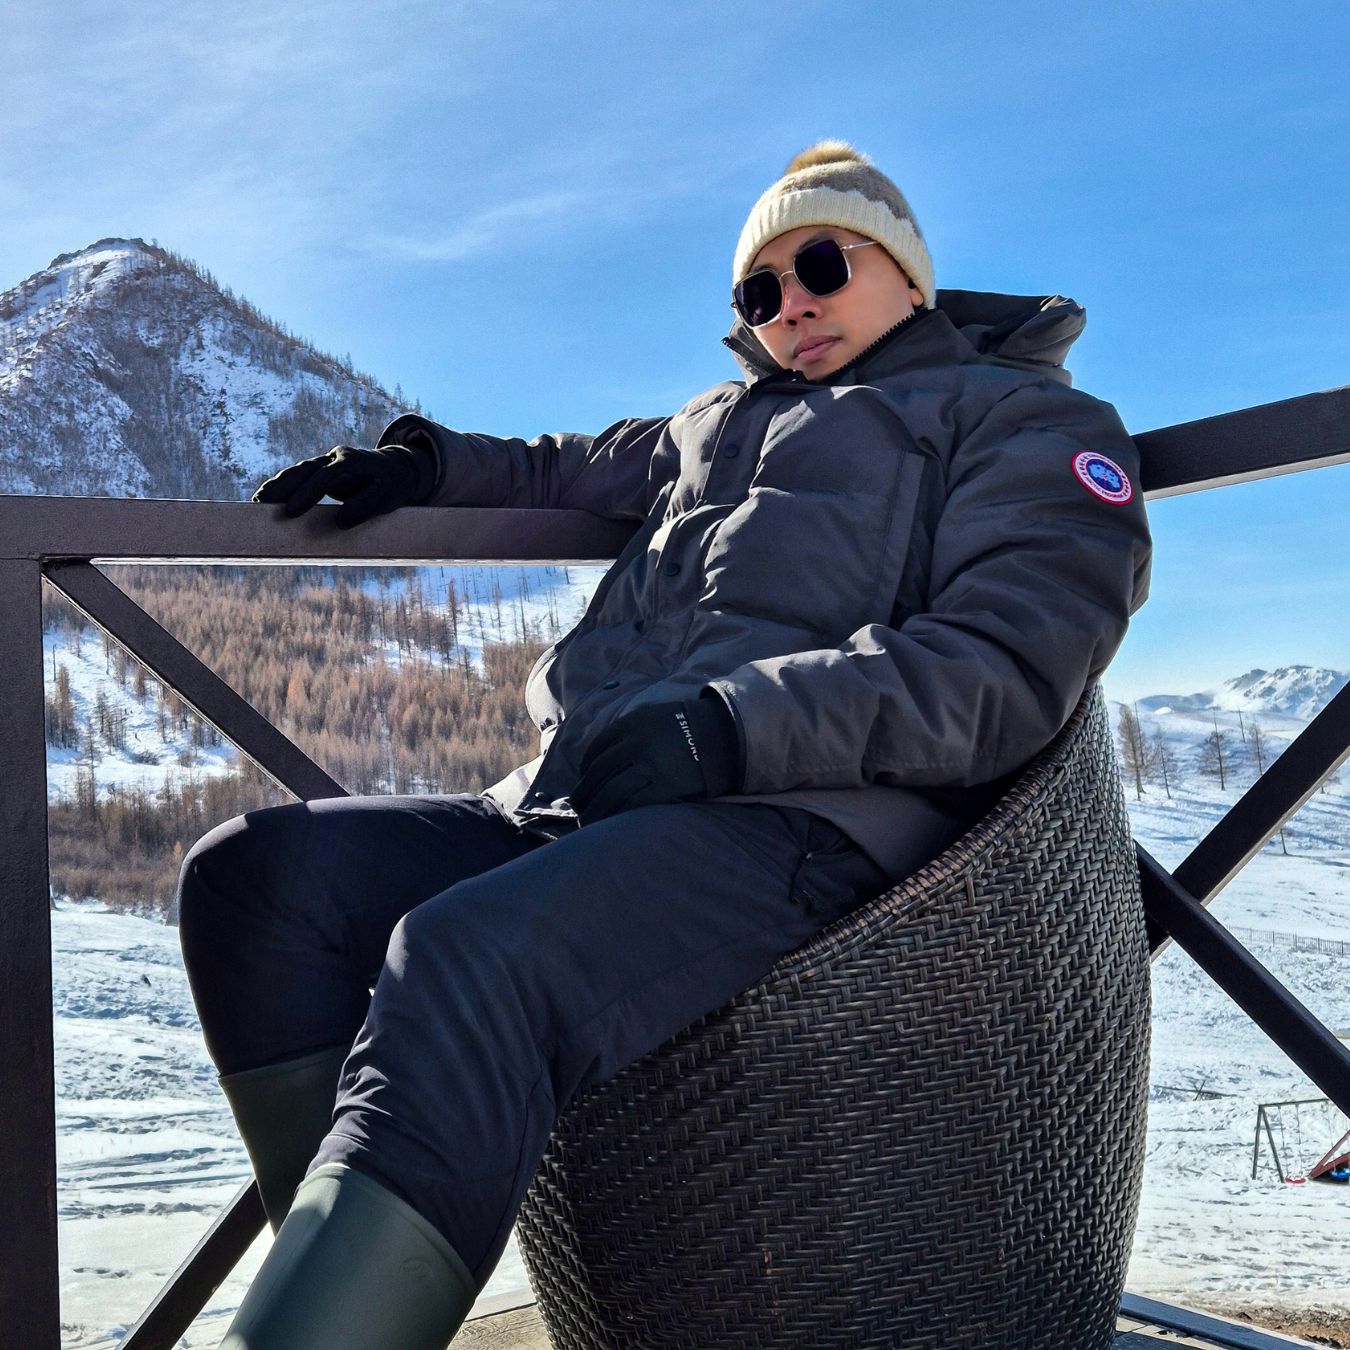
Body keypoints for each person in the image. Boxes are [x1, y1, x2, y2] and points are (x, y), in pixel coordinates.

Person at [182, 141, 1151, 1350]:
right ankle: (345, 1305)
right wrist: (420, 462)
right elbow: (555, 465)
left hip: (805, 819)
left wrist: (735, 727)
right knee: (258, 881)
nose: (790, 304)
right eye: (758, 291)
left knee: (466, 956)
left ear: (908, 274)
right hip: (590, 797)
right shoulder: (714, 422)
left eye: (820, 265)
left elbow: (1007, 669)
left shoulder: (1019, 417)